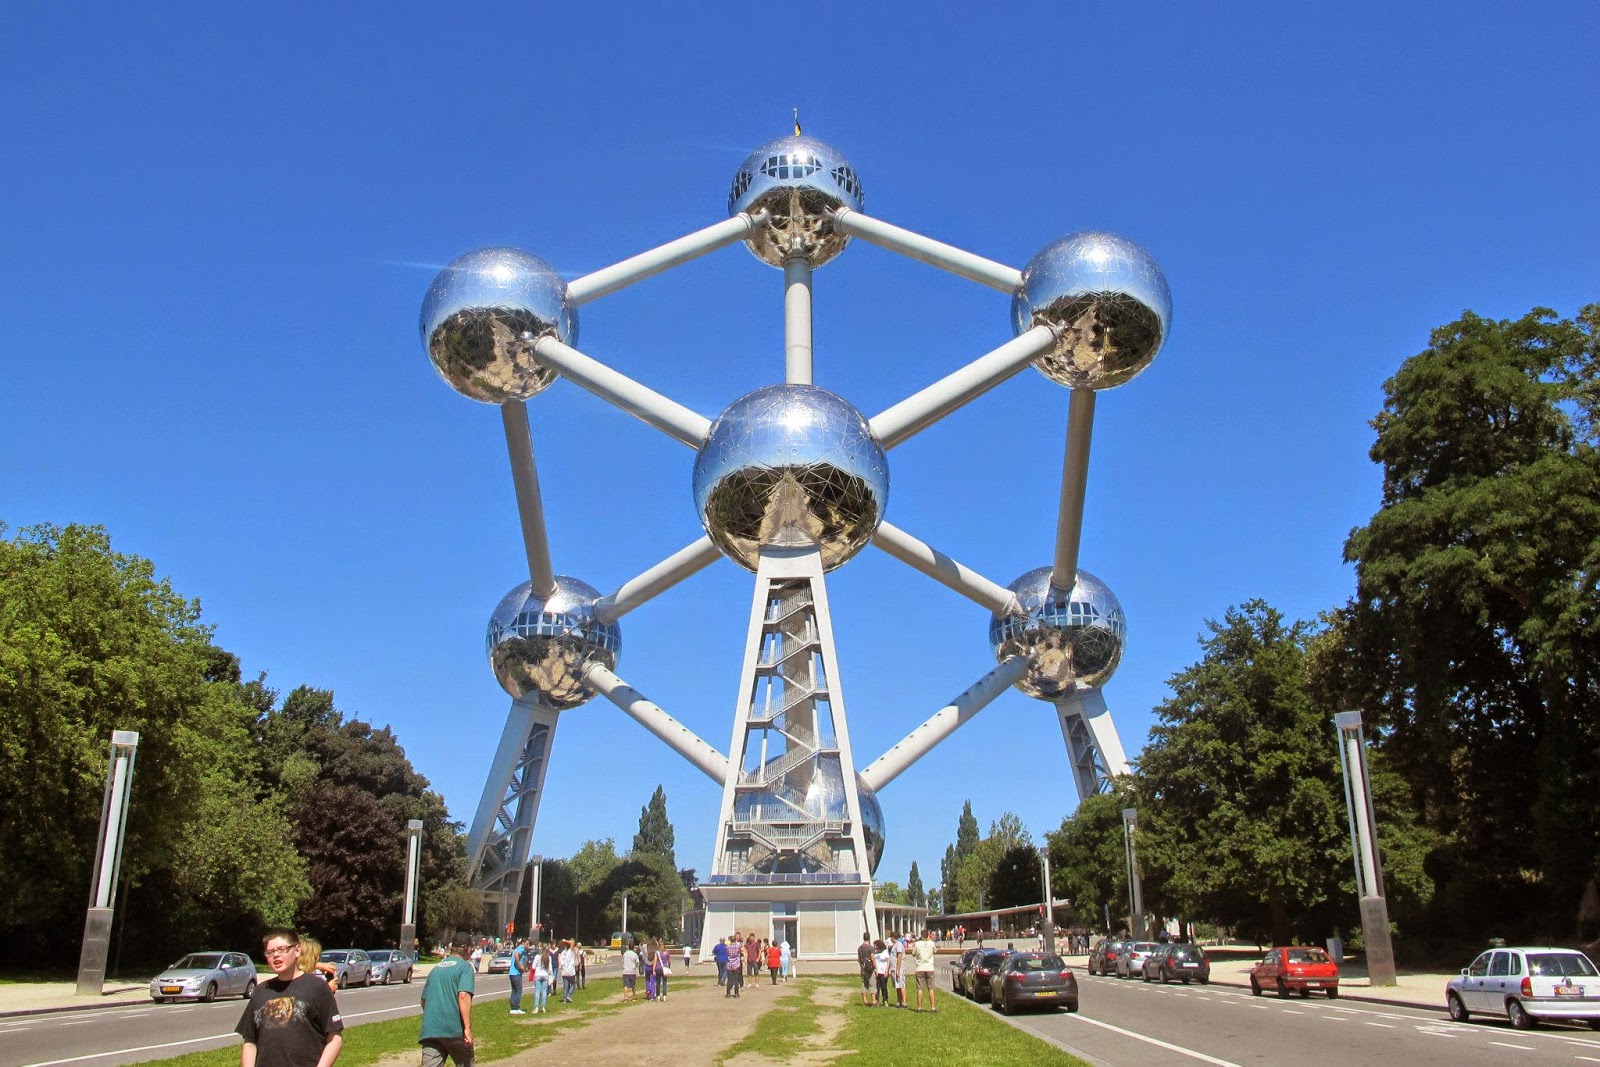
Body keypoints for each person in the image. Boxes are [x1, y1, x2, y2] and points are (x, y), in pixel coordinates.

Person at [237, 928, 343, 1067]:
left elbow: (335, 1038)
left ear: (297, 950)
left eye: (282, 949)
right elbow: (250, 1042)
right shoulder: (260, 991)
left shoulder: (317, 987)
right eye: (270, 952)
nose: (276, 955)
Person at [418, 943, 474, 1067]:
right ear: (468, 949)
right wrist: (467, 1028)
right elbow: (463, 995)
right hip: (455, 1030)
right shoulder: (465, 967)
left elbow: (423, 1001)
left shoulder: (435, 969)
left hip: (431, 1030)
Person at [912, 929, 938, 1013]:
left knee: (920, 988)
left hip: (920, 967)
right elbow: (935, 951)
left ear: (921, 935)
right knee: (931, 988)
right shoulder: (931, 943)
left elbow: (913, 953)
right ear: (928, 935)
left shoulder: (917, 944)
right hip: (929, 967)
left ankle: (919, 1007)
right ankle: (933, 1007)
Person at [529, 943, 551, 1014]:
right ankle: (543, 1007)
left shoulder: (537, 957)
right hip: (545, 975)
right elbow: (550, 969)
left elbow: (533, 967)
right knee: (544, 991)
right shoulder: (548, 957)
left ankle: (536, 1007)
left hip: (538, 974)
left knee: (537, 991)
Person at [506, 939, 526, 1015]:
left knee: (514, 991)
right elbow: (516, 955)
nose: (527, 946)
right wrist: (520, 966)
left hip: (512, 973)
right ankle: (516, 1007)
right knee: (518, 990)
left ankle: (513, 1008)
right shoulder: (521, 948)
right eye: (526, 944)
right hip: (516, 973)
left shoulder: (516, 949)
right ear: (523, 943)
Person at [857, 932, 875, 1006]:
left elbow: (859, 959)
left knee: (864, 983)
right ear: (869, 938)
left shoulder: (860, 948)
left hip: (863, 968)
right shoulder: (871, 947)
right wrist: (875, 967)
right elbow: (872, 958)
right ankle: (874, 1000)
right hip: (870, 968)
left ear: (863, 937)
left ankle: (865, 1000)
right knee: (872, 984)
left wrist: (861, 965)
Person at [872, 939, 891, 1006]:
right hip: (877, 972)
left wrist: (886, 971)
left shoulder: (885, 952)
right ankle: (877, 1000)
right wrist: (875, 970)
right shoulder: (875, 952)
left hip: (883, 972)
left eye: (875, 945)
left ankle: (885, 1000)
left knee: (884, 986)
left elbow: (888, 961)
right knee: (877, 987)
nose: (874, 946)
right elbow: (873, 961)